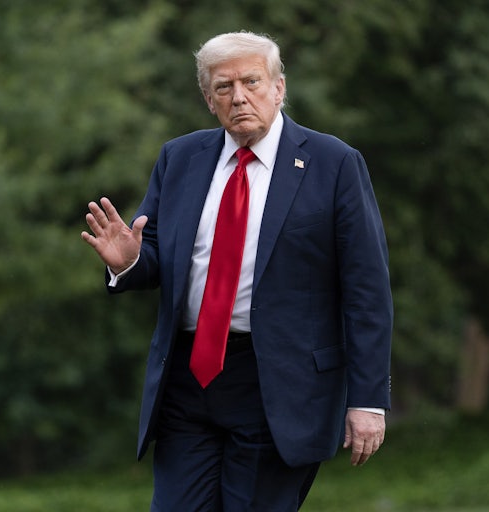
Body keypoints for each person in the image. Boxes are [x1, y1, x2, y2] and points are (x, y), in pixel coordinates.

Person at [82, 31, 393, 511]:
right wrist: (129, 264)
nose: (239, 96)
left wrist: (368, 400)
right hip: (187, 381)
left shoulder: (334, 164)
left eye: (251, 81)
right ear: (209, 100)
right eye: (223, 87)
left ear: (279, 88)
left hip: (280, 385)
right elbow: (155, 252)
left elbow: (366, 290)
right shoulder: (180, 158)